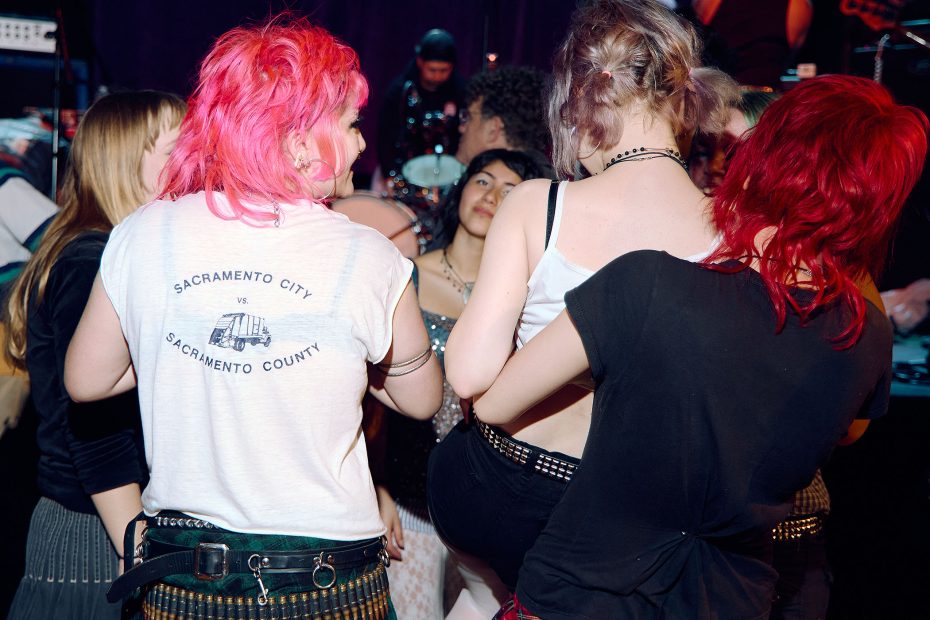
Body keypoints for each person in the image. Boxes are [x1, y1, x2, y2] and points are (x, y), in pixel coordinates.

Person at [479, 74, 928, 619]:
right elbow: (843, 432)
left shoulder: (646, 283)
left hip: (586, 594)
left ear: (768, 156)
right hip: (732, 600)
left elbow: (493, 403)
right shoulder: (866, 335)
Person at [63, 18, 442, 620]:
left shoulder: (145, 231)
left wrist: (182, 348)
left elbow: (87, 381)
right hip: (326, 581)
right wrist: (346, 357)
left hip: (187, 578)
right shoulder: (367, 252)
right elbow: (421, 400)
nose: (363, 144)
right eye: (349, 125)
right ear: (297, 142)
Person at [428, 0, 739, 611]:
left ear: (583, 101)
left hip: (512, 491)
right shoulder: (733, 230)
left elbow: (466, 376)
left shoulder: (539, 203)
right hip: (637, 523)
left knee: (482, 595)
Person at [4, 90, 186, 619]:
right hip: (97, 531)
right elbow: (93, 432)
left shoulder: (99, 250)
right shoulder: (92, 261)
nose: (192, 165)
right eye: (176, 151)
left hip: (99, 523)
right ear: (126, 161)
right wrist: (143, 554)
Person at [373, 149, 553, 619]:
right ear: (462, 188)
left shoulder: (531, 296)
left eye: (511, 190)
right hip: (412, 502)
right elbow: (369, 389)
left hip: (489, 504)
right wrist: (376, 487)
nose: (492, 196)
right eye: (483, 180)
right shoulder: (404, 277)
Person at [377, 29, 466, 181]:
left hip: (448, 170)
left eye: (444, 70)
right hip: (405, 169)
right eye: (432, 70)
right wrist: (388, 174)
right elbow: (385, 136)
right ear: (420, 62)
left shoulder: (460, 90)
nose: (438, 76)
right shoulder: (400, 91)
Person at [454, 66, 551, 167]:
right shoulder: (543, 177)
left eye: (468, 117)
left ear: (493, 129)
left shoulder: (493, 181)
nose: (461, 128)